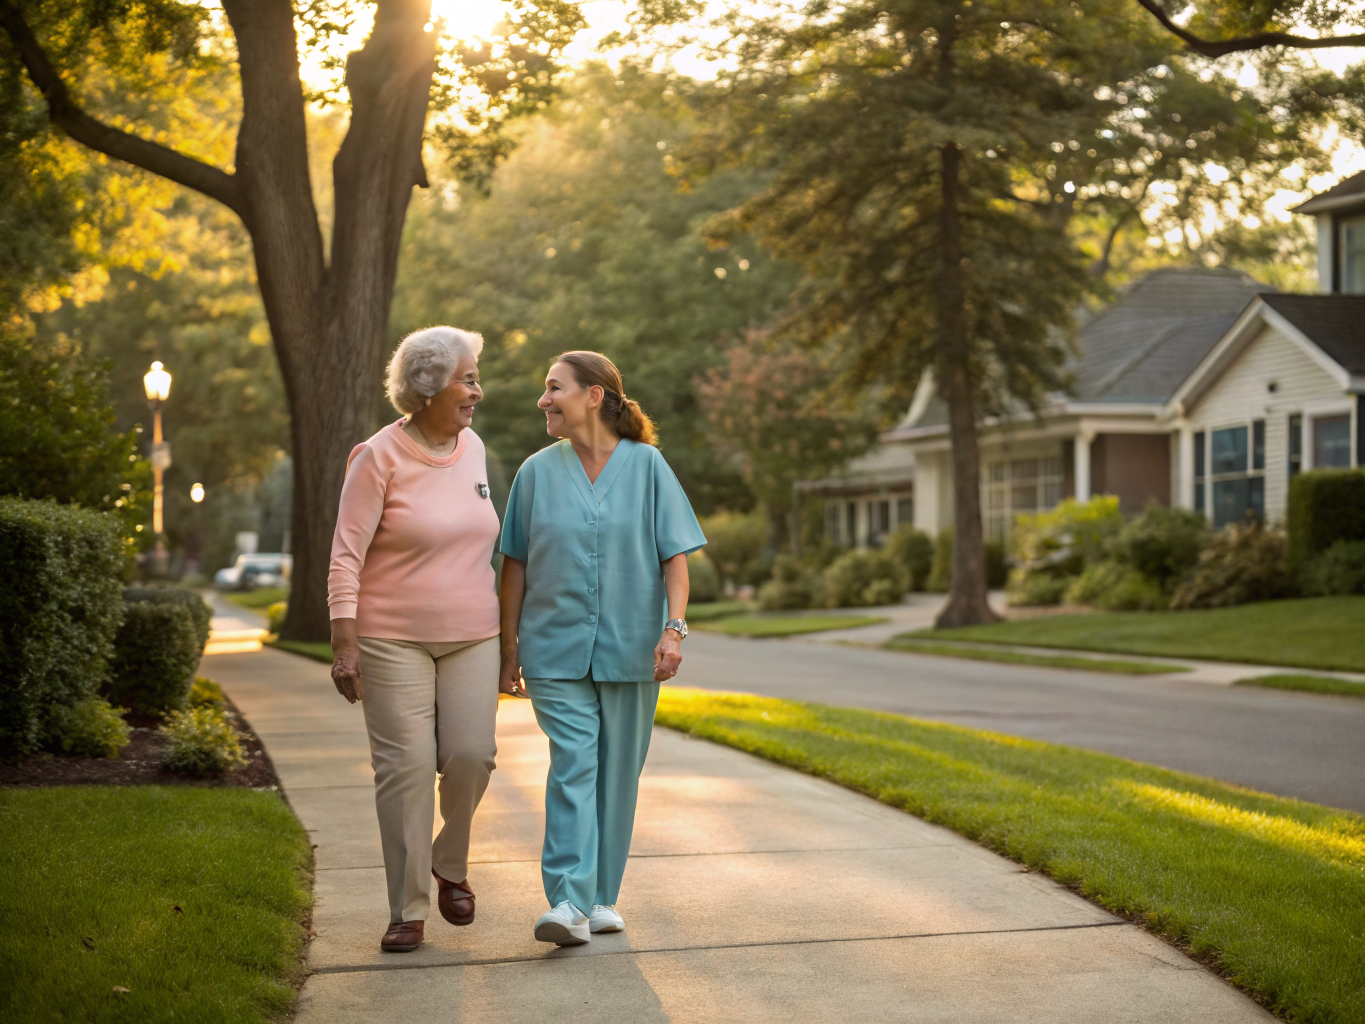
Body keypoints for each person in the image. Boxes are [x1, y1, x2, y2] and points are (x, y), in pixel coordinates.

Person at [498, 350, 706, 946]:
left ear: (593, 396)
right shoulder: (536, 473)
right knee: (574, 764)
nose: (543, 400)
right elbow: (514, 566)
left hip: (632, 649)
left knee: (619, 774)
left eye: (553, 388)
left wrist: (674, 629)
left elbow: (675, 557)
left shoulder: (648, 467)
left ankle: (599, 897)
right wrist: (508, 647)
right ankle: (566, 900)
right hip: (553, 649)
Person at [328, 326, 502, 953]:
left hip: (473, 633)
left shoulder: (473, 447)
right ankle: (408, 908)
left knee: (471, 755)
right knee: (403, 769)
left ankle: (448, 863)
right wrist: (344, 643)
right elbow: (345, 557)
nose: (477, 391)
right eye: (468, 378)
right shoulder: (376, 456)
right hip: (390, 637)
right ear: (428, 387)